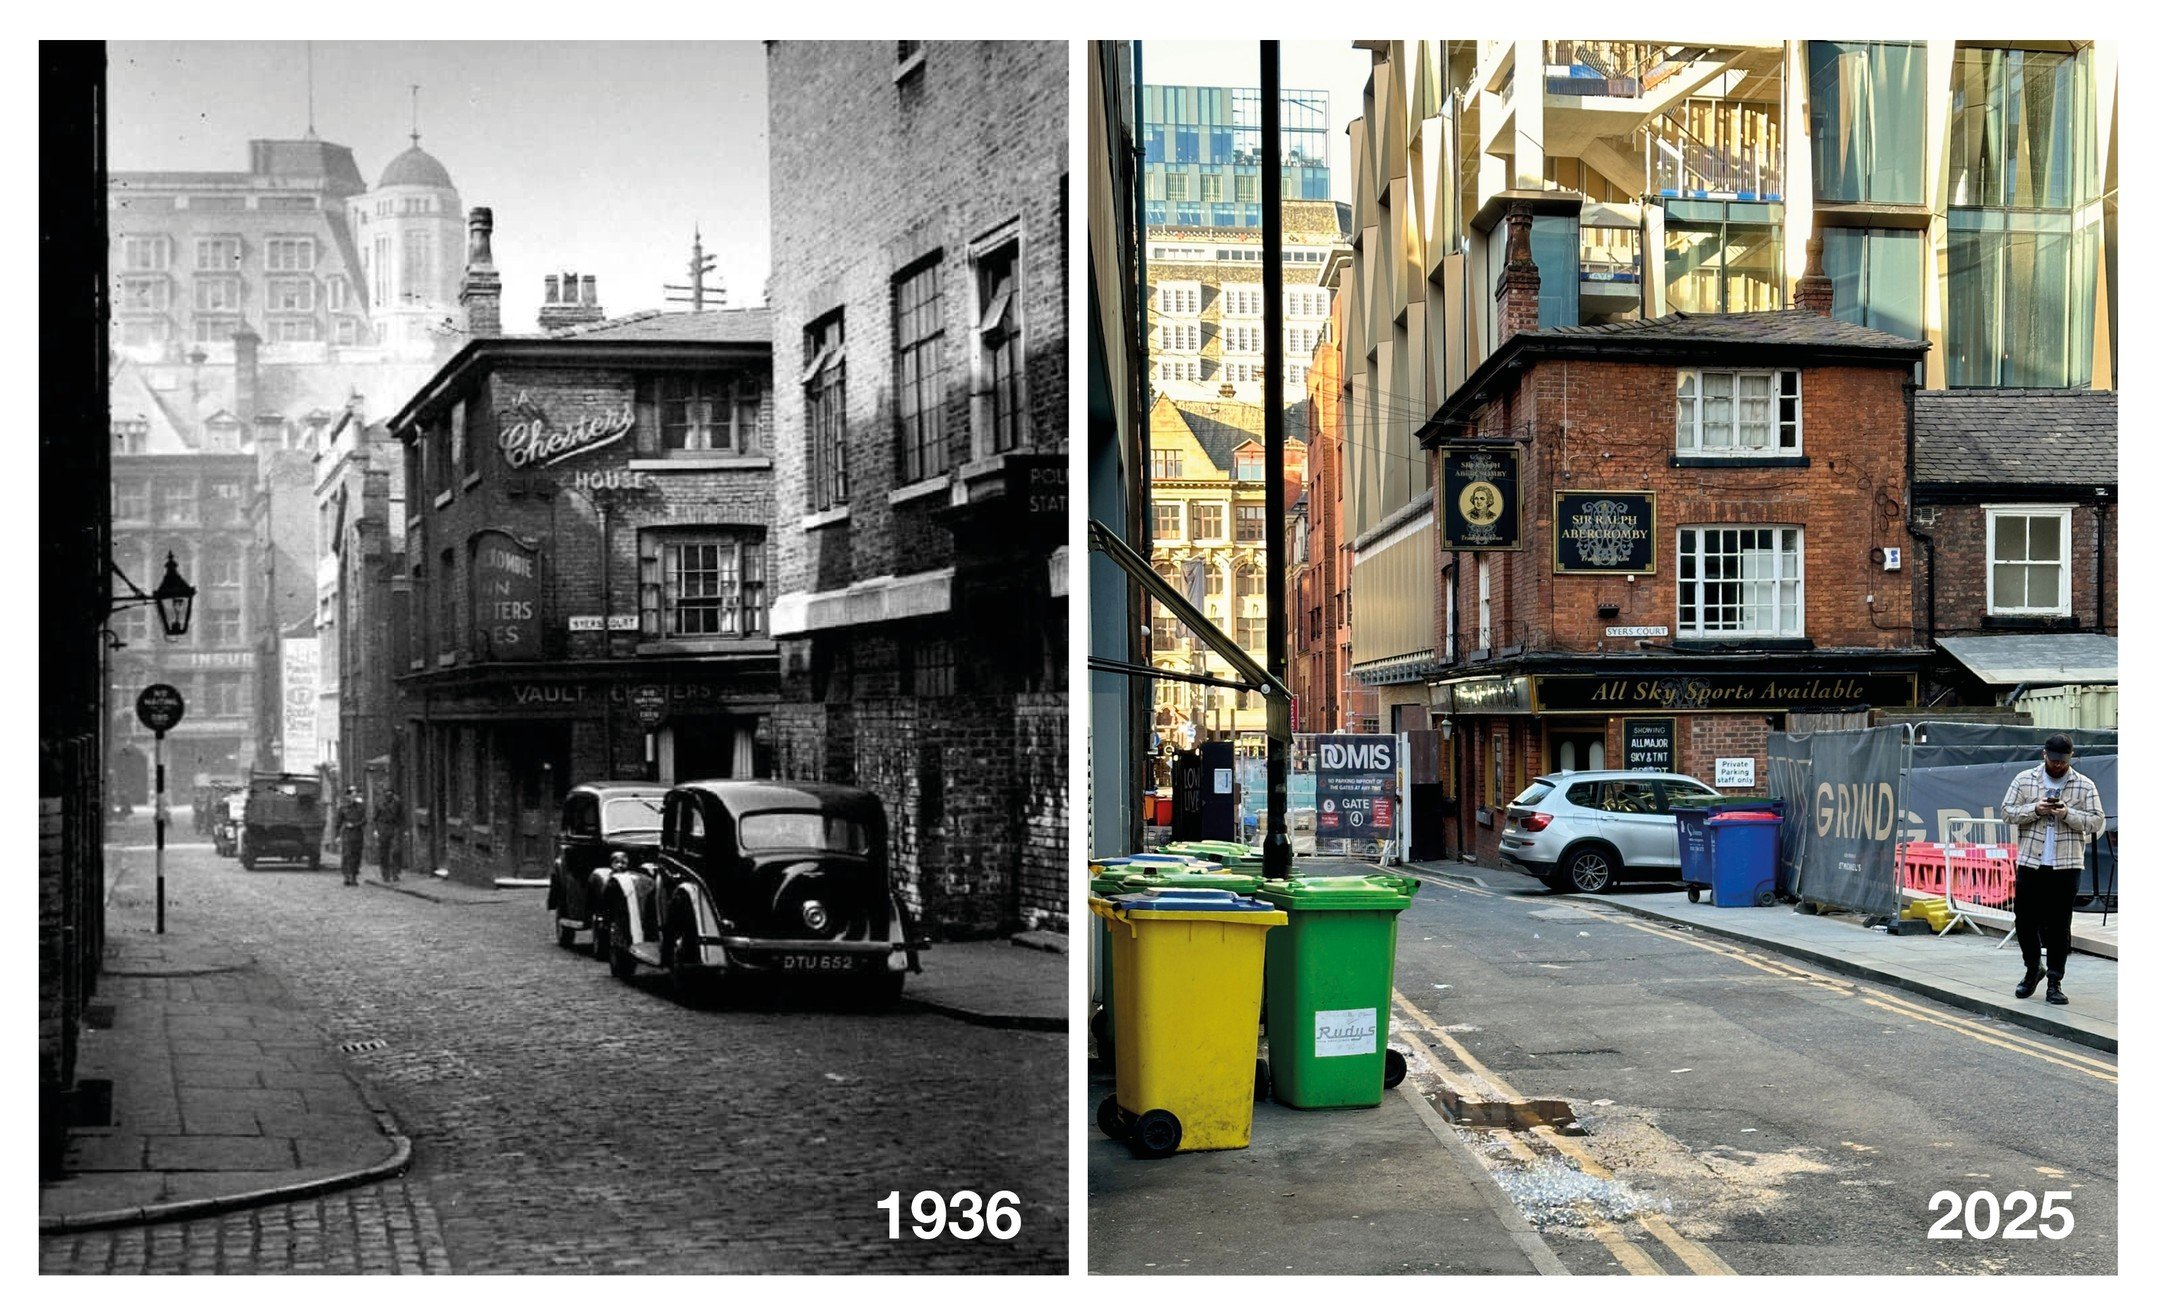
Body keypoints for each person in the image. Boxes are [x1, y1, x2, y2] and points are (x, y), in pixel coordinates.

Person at [1999, 733, 2105, 1005]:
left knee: (2059, 925)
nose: (2058, 765)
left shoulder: (2084, 785)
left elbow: (2096, 822)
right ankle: (2033, 968)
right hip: (2031, 862)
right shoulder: (2024, 779)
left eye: (2063, 761)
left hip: (2067, 864)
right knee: (2024, 920)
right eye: (2054, 759)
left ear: (2071, 758)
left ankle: (2055, 982)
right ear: (2044, 754)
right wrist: (2036, 808)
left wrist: (2066, 813)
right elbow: (2007, 812)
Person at [373, 786, 406, 884]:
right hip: (383, 828)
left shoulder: (397, 803)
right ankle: (385, 874)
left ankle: (395, 873)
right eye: (387, 793)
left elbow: (401, 816)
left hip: (394, 827)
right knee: (384, 853)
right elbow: (375, 817)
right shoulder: (379, 803)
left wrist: (403, 829)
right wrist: (376, 830)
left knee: (395, 851)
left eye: (390, 793)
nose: (389, 795)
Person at [336, 789, 368, 886]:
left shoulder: (361, 807)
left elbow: (364, 820)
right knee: (346, 855)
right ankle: (346, 876)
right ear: (347, 796)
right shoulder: (343, 808)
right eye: (352, 795)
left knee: (356, 855)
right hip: (347, 834)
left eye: (355, 795)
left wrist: (355, 825)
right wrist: (337, 836)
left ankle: (354, 876)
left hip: (357, 834)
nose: (353, 797)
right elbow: (338, 823)